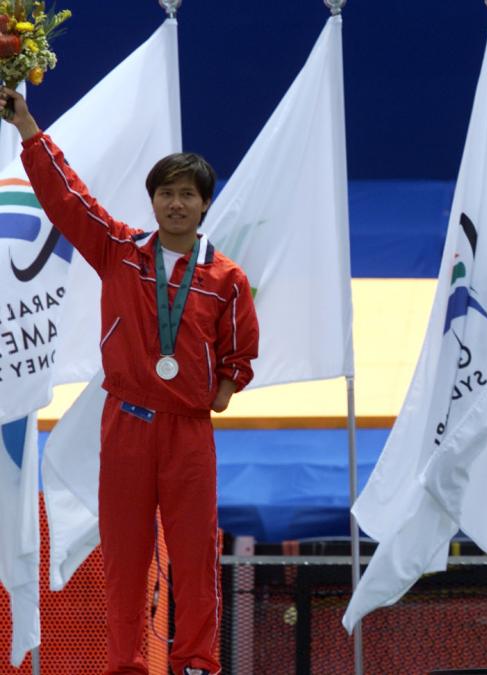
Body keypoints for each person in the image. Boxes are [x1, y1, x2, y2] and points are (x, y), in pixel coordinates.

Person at [1, 88, 259, 675]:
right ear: (153, 201)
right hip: (126, 423)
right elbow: (69, 201)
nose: (175, 204)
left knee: (195, 554)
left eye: (186, 195)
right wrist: (29, 131)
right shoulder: (118, 250)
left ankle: (196, 662)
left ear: (203, 205)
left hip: (188, 434)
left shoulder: (226, 278)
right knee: (124, 555)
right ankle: (125, 665)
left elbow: (240, 352)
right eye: (166, 193)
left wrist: (217, 391)